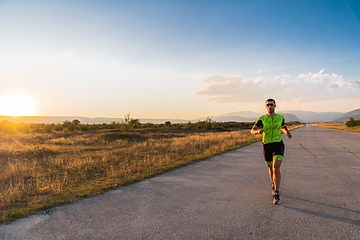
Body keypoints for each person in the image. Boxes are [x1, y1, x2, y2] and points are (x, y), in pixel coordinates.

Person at [251, 98, 292, 204]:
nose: (270, 106)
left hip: (278, 144)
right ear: (265, 106)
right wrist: (257, 131)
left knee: (275, 166)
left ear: (275, 106)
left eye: (271, 105)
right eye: (268, 105)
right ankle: (274, 183)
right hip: (267, 145)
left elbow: (283, 127)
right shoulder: (262, 119)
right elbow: (252, 130)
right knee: (270, 168)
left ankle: (276, 193)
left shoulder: (280, 118)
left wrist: (286, 132)